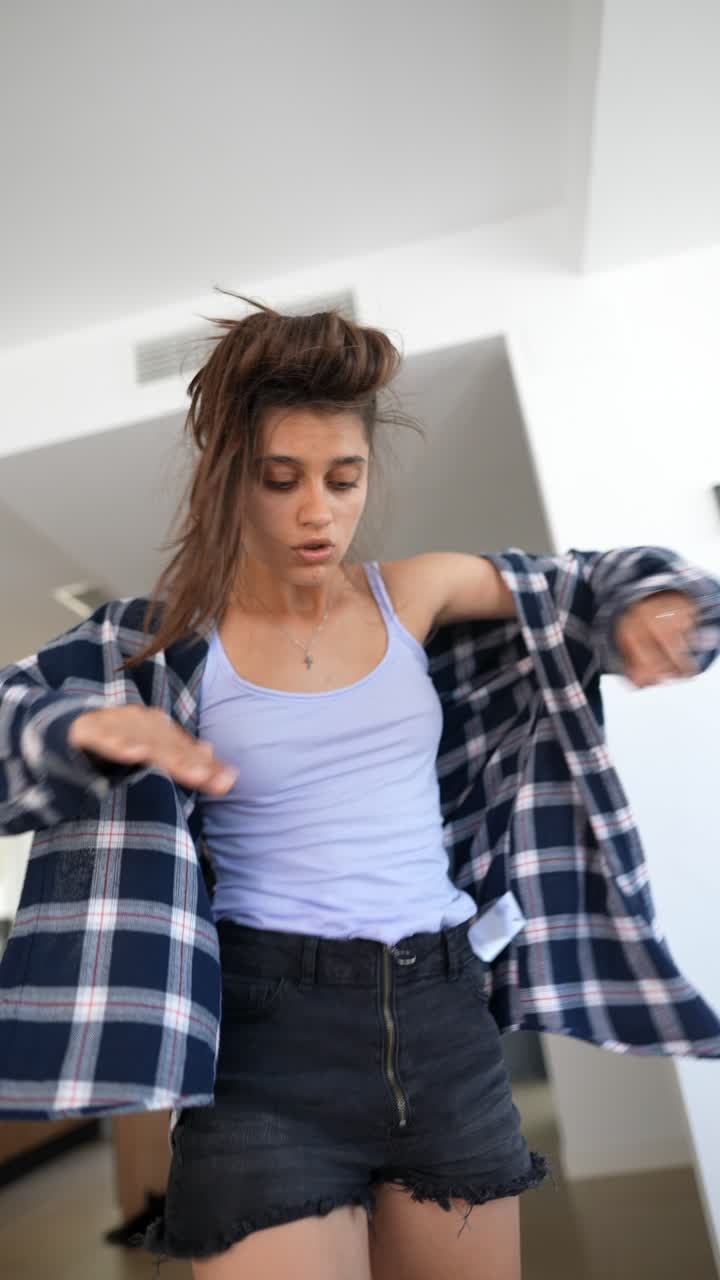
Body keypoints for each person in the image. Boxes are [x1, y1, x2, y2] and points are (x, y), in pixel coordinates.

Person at [1, 296, 718, 1280]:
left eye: (343, 479)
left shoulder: (409, 592)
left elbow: (579, 583)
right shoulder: (150, 642)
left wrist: (656, 599)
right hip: (266, 1043)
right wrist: (79, 724)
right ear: (226, 480)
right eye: (280, 478)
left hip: (442, 1017)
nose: (317, 511)